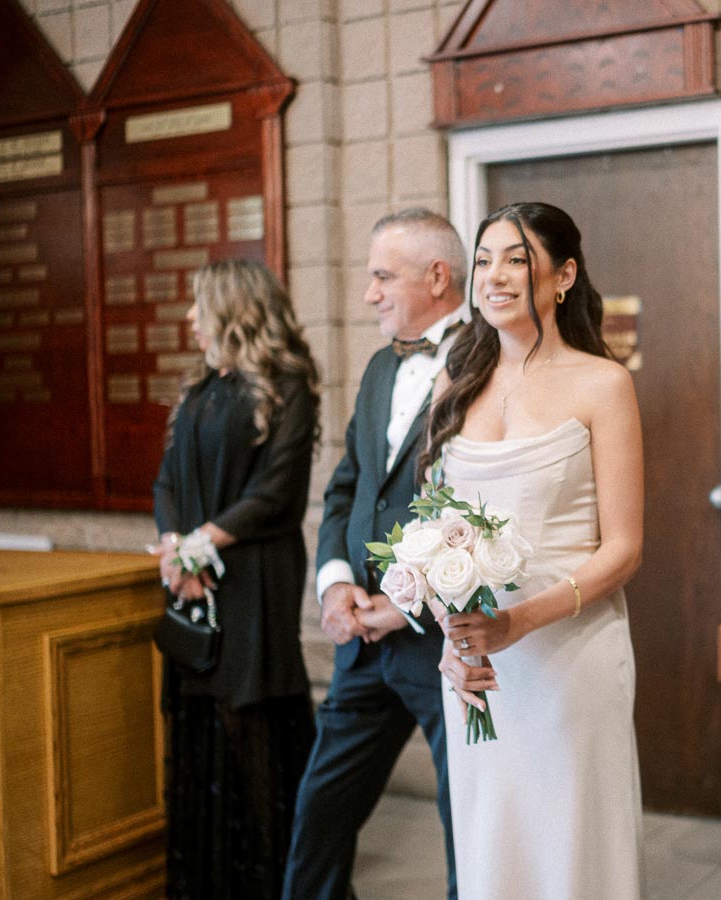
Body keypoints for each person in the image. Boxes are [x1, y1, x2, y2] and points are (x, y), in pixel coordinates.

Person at [429, 202, 645, 899]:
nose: (493, 276)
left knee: (570, 849)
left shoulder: (601, 383)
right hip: (477, 666)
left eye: (515, 259)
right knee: (494, 849)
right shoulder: (454, 380)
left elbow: (624, 548)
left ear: (564, 275)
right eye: (483, 260)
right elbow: (434, 531)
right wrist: (451, 636)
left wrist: (517, 623)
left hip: (570, 655)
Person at [282, 209, 468, 900]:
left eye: (383, 276)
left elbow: (489, 508)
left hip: (444, 640)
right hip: (360, 638)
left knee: (466, 823)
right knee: (319, 817)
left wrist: (409, 603)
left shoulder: (491, 361)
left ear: (437, 277)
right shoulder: (377, 371)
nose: (370, 294)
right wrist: (335, 586)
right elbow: (346, 489)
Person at [153, 259, 320, 899]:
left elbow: (276, 493)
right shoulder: (198, 392)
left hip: (254, 578)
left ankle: (276, 881)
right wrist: (176, 551)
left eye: (200, 306)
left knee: (251, 721)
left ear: (232, 310)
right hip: (192, 579)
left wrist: (200, 548)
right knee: (200, 727)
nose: (190, 319)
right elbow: (166, 479)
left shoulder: (286, 386)